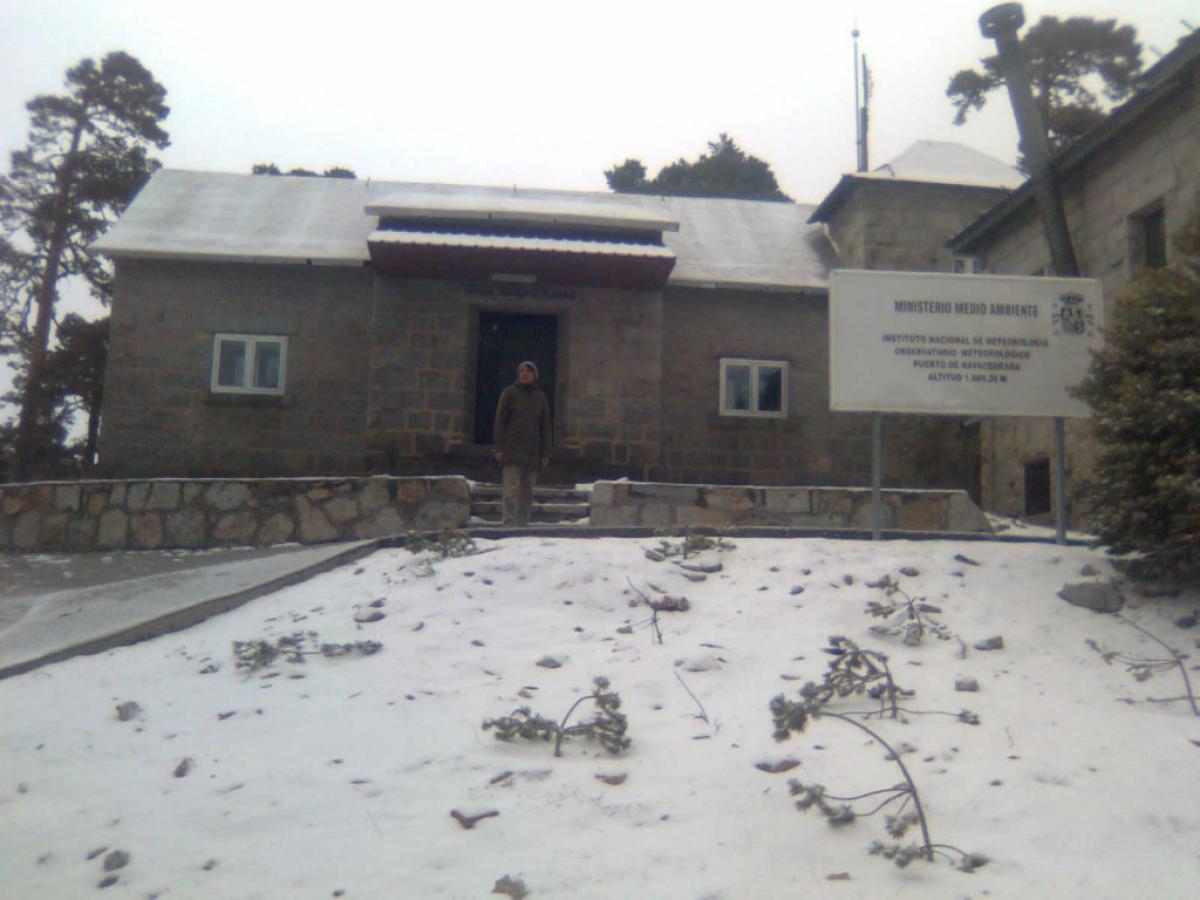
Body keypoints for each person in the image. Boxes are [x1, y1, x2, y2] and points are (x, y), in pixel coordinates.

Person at [493, 361, 551, 526]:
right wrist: (498, 447)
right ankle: (509, 522)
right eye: (522, 371)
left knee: (527, 491)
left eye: (528, 371)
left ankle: (523, 523)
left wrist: (545, 452)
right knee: (511, 490)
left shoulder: (540, 397)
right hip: (512, 449)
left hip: (532, 452)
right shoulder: (509, 393)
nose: (525, 374)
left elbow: (545, 426)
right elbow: (500, 421)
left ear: (534, 375)